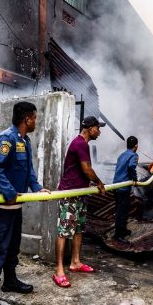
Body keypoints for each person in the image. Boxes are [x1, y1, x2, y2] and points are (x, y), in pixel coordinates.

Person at [0, 101, 50, 305]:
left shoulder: (24, 141)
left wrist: (38, 188)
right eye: (35, 118)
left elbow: (28, 170)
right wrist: (9, 192)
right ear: (27, 118)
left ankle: (9, 281)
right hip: (1, 207)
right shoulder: (6, 138)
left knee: (12, 247)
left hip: (15, 207)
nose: (35, 121)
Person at [52, 116, 107, 288]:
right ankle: (58, 270)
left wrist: (89, 182)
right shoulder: (80, 144)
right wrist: (98, 182)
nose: (100, 131)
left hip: (80, 192)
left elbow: (82, 171)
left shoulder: (84, 144)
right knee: (64, 231)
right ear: (91, 129)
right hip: (70, 193)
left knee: (78, 229)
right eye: (98, 128)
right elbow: (86, 169)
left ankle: (75, 262)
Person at [112, 136, 139, 243]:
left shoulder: (121, 155)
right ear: (136, 145)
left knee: (120, 209)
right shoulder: (133, 155)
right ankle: (118, 235)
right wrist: (135, 179)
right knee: (122, 211)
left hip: (116, 185)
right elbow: (131, 167)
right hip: (123, 187)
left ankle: (122, 229)